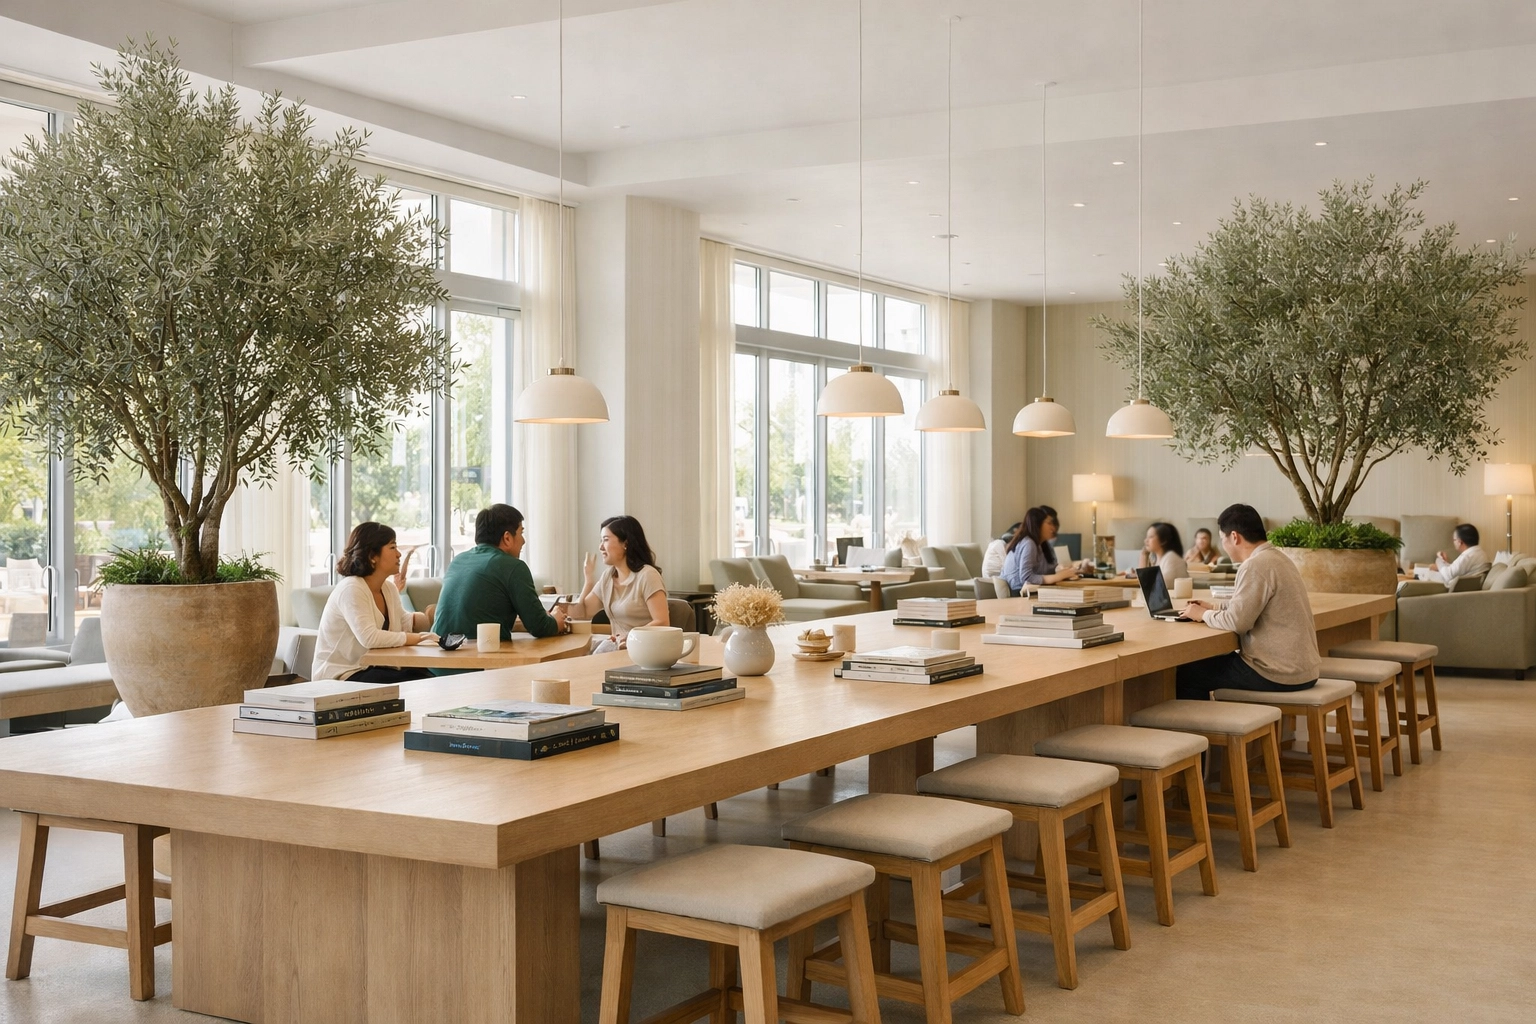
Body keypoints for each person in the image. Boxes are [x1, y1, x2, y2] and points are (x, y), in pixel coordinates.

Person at [1175, 504, 1320, 699]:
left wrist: (1202, 614)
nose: (1223, 545)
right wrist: (1215, 607)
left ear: (1234, 537)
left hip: (1276, 673)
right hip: (1303, 670)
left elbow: (1238, 622)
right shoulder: (1279, 558)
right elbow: (1255, 606)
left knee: (1189, 673)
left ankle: (1201, 729)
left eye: (1222, 538)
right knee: (1211, 665)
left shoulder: (1255, 565)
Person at [433, 504, 569, 657]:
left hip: (435, 662)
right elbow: (539, 626)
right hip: (477, 667)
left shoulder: (457, 561)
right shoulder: (513, 567)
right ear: (507, 538)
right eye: (521, 532)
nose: (523, 541)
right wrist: (556, 621)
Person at [311, 522, 437, 683]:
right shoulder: (351, 588)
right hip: (342, 675)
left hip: (374, 668)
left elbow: (404, 623)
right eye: (392, 547)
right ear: (372, 556)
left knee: (428, 678)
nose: (399, 554)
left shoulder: (388, 588)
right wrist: (418, 638)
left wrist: (436, 618)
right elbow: (369, 638)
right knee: (417, 683)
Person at [572, 515, 669, 649]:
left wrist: (631, 636)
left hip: (643, 650)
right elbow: (581, 614)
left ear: (625, 544)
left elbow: (663, 622)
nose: (600, 547)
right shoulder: (608, 576)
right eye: (600, 540)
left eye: (605, 540)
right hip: (617, 649)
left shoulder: (647, 575)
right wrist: (589, 581)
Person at [1001, 506, 1083, 595]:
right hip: (1018, 593)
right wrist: (1058, 576)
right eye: (1049, 523)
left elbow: (1043, 570)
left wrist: (1062, 570)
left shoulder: (1037, 544)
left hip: (1026, 591)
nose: (1053, 528)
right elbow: (1026, 578)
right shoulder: (1029, 543)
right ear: (1038, 524)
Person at [1420, 524, 1490, 590]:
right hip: (1461, 586)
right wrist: (1445, 562)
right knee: (1425, 571)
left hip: (1451, 589)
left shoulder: (1467, 556)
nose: (1454, 542)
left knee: (1422, 575)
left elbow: (1448, 575)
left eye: (1454, 540)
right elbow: (1459, 570)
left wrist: (1439, 560)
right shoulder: (1480, 553)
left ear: (1460, 542)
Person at [1128, 521, 1190, 590]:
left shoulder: (1171, 558)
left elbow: (1152, 586)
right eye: (1147, 537)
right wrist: (1144, 555)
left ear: (1163, 540)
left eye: (1151, 537)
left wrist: (1143, 556)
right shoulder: (1157, 559)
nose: (1146, 541)